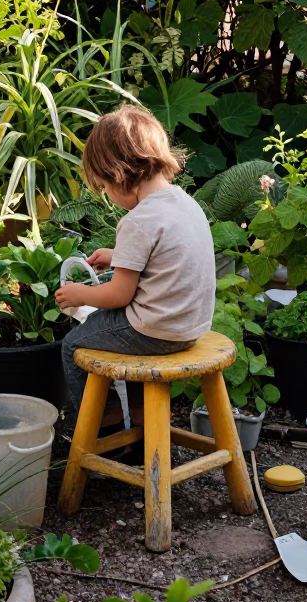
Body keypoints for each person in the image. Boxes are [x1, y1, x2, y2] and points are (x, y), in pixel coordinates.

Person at [56, 104, 216, 420]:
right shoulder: (184, 203)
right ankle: (141, 423)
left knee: (74, 345)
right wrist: (118, 257)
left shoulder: (138, 220)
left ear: (118, 174)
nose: (107, 195)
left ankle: (98, 429)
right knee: (113, 339)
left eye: (103, 187)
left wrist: (79, 295)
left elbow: (119, 296)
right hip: (191, 327)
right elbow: (169, 257)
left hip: (154, 332)